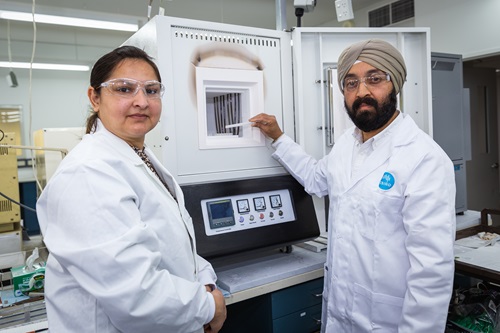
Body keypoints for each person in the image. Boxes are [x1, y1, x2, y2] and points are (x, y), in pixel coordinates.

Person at [250, 39, 456, 333]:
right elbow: (316, 179)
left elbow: (431, 273)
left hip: (388, 322)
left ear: (394, 84)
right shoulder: (348, 144)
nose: (362, 92)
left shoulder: (424, 159)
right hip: (340, 317)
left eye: (374, 79)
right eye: (351, 83)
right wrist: (278, 137)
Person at [36, 45, 226, 333]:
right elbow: (135, 294)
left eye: (151, 90)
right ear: (94, 97)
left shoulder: (140, 156)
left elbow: (177, 248)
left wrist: (205, 284)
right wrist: (209, 306)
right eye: (124, 89)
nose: (141, 101)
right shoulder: (88, 173)